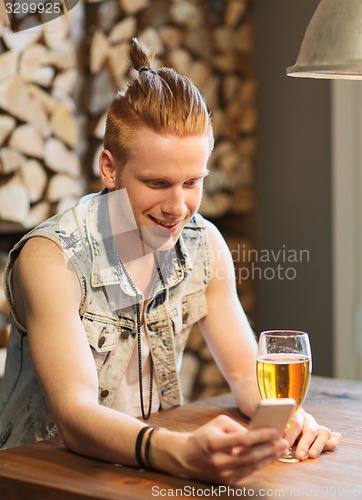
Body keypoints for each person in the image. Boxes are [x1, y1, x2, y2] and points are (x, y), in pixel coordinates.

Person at [0, 39, 340, 485]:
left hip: (138, 475)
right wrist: (178, 451)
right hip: (40, 481)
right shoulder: (51, 258)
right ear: (109, 167)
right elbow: (75, 413)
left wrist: (288, 420)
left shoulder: (204, 244)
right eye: (158, 183)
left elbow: (243, 372)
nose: (178, 206)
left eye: (192, 181)